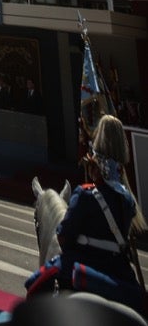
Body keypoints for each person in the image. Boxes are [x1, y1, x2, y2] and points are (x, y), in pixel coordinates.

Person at [27, 115, 146, 315]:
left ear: (95, 165)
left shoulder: (85, 194)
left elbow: (64, 236)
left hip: (85, 267)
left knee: (34, 288)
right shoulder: (128, 200)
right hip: (119, 270)